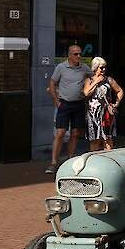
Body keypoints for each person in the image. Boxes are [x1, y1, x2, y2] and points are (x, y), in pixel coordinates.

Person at [47, 45, 92, 174]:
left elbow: (93, 76)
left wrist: (89, 86)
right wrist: (56, 101)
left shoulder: (84, 68)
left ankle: (70, 158)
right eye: (76, 54)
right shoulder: (61, 67)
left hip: (78, 104)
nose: (79, 56)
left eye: (80, 54)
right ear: (69, 55)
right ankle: (54, 162)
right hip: (64, 104)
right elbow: (52, 83)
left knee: (75, 133)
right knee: (60, 133)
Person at [84, 57, 124, 152]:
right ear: (95, 68)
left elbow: (120, 90)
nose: (104, 69)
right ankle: (94, 161)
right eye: (101, 67)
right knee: (94, 139)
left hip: (106, 113)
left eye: (104, 67)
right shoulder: (89, 80)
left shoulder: (109, 80)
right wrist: (96, 82)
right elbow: (86, 93)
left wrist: (116, 103)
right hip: (93, 114)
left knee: (107, 139)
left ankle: (108, 159)